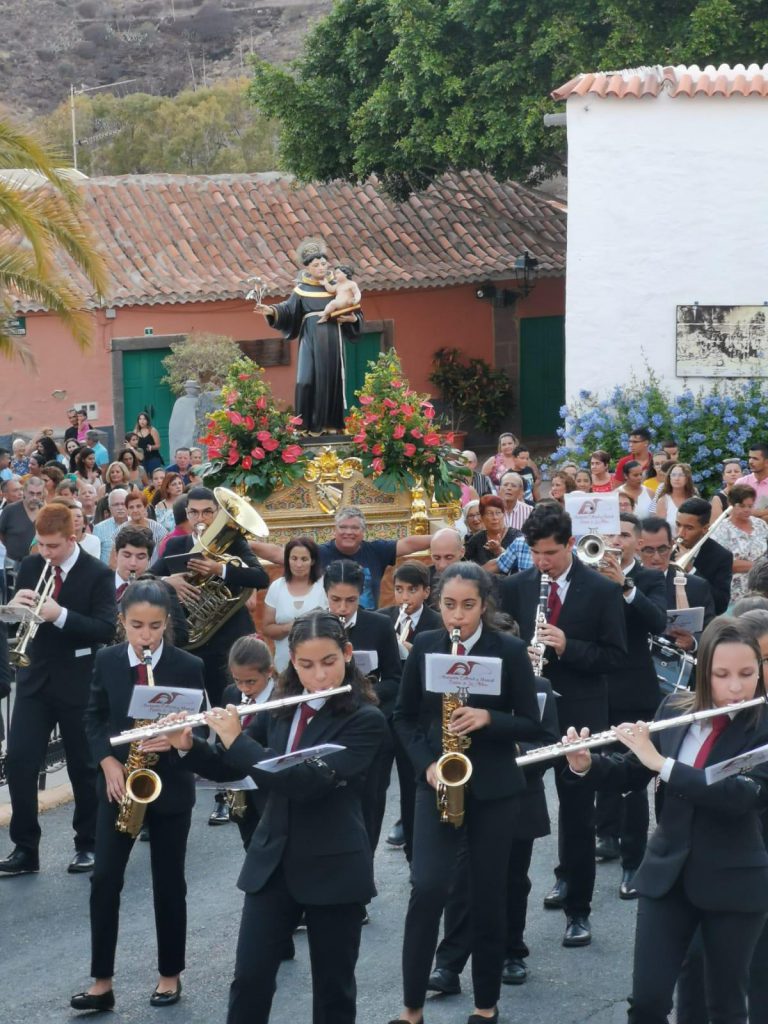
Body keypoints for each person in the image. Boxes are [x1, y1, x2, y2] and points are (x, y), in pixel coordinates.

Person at [163, 609, 387, 1024]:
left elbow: (303, 782)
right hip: (273, 862)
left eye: (328, 662)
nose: (318, 676)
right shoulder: (282, 710)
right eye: (305, 665)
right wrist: (189, 745)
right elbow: (235, 767)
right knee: (249, 980)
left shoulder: (365, 721)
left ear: (348, 654)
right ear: (292, 663)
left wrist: (234, 739)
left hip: (334, 866)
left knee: (333, 992)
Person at [564, 616, 768, 1024]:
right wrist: (587, 764)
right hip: (666, 876)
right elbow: (631, 771)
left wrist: (663, 763)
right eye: (721, 674)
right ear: (702, 672)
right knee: (648, 1002)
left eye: (747, 674)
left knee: (725, 1006)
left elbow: (737, 796)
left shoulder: (762, 725)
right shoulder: (673, 710)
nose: (734, 687)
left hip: (734, 881)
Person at [390, 562, 543, 1024]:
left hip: (494, 788)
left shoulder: (510, 650)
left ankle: (485, 1007)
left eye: (468, 605)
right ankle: (412, 1008)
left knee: (487, 893)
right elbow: (404, 716)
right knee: (428, 887)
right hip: (439, 781)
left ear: (484, 605)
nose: (458, 616)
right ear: (438, 603)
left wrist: (489, 719)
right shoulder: (426, 646)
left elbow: (536, 724)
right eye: (450, 605)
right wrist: (428, 764)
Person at [71, 580, 205, 1014]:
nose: (145, 636)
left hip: (169, 786)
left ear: (167, 623)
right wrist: (107, 763)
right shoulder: (108, 660)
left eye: (154, 626)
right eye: (136, 626)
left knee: (169, 883)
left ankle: (170, 975)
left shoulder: (188, 664)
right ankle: (101, 981)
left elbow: (203, 723)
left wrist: (178, 740)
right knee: (104, 880)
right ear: (121, 622)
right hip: (119, 784)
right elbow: (93, 718)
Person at [500, 503, 627, 947]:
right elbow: (502, 645)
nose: (542, 563)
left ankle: (579, 908)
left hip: (580, 712)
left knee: (577, 811)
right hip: (528, 714)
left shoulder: (600, 590)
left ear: (570, 544)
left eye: (550, 553)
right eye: (535, 553)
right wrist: (524, 655)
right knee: (521, 805)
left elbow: (615, 656)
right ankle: (548, 887)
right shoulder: (516, 586)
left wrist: (569, 646)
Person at [0, 504, 117, 876]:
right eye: (41, 545)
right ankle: (24, 848)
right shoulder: (32, 566)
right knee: (19, 762)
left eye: (53, 546)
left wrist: (60, 615)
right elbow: (22, 617)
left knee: (84, 766)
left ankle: (88, 844)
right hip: (35, 679)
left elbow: (104, 628)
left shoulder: (98, 573)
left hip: (79, 677)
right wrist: (11, 610)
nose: (45, 553)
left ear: (73, 538)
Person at [429, 669, 560, 994]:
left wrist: (513, 750)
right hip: (470, 795)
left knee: (513, 880)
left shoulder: (538, 687)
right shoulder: (460, 689)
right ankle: (449, 965)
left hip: (519, 796)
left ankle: (511, 952)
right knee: (461, 882)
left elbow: (549, 742)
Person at [151, 484, 270, 828]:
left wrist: (219, 570)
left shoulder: (233, 544)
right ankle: (183, 790)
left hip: (226, 645)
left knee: (227, 717)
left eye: (207, 513)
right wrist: (169, 582)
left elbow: (259, 576)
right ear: (186, 516)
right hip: (190, 644)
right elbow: (147, 577)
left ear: (216, 514)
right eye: (194, 513)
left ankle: (228, 794)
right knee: (189, 721)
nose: (200, 520)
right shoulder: (175, 545)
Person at [593, 514, 667, 896]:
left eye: (623, 535)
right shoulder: (587, 575)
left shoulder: (651, 578)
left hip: (635, 690)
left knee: (633, 780)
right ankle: (604, 835)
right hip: (595, 688)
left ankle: (633, 862)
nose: (615, 541)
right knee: (595, 767)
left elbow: (658, 623)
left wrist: (625, 588)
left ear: (637, 541)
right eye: (609, 534)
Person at [323, 559, 401, 853]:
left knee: (370, 802)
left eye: (351, 600)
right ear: (325, 594)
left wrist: (362, 694)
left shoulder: (379, 625)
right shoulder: (313, 624)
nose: (342, 608)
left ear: (362, 595)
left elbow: (395, 679)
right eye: (335, 600)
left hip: (369, 727)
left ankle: (364, 867)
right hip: (327, 728)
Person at [254, 238, 365, 434]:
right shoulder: (301, 290)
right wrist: (270, 311)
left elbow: (356, 311)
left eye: (324, 263)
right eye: (316, 265)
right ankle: (305, 426)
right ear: (308, 268)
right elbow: (287, 310)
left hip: (332, 339)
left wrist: (351, 319)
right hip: (310, 340)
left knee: (331, 380)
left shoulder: (338, 286)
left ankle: (331, 425)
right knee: (305, 380)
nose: (321, 267)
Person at [252, 505, 427, 610]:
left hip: (369, 624)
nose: (348, 532)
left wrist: (445, 538)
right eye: (343, 527)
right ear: (334, 530)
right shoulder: (318, 553)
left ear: (363, 532)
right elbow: (277, 554)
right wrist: (244, 545)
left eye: (354, 528)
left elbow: (408, 544)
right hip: (328, 625)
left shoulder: (376, 550)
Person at [379, 561, 441, 856]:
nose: (405, 598)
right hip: (388, 708)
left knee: (410, 780)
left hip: (419, 711)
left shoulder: (437, 623)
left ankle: (415, 850)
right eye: (399, 590)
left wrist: (412, 650)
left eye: (412, 590)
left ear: (426, 592)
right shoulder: (383, 619)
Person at [219, 637, 277, 850]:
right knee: (250, 844)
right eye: (238, 681)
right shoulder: (231, 694)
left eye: (251, 682)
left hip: (266, 786)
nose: (243, 688)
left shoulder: (280, 698)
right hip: (240, 787)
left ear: (269, 671)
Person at [638, 516, 715, 655]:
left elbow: (712, 631)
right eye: (648, 550)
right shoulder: (626, 585)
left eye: (662, 549)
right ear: (637, 548)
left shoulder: (696, 587)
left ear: (672, 544)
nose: (656, 557)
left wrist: (693, 642)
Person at [262, 536, 327, 672]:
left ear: (312, 561)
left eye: (304, 559)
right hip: (284, 666)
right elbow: (267, 628)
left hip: (319, 663)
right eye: (294, 559)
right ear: (287, 560)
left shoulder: (324, 585)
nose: (298, 565)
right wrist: (288, 628)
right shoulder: (277, 587)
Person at [710, 484, 768, 604]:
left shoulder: (760, 524)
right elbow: (724, 563)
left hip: (763, 590)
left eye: (750, 506)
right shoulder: (721, 529)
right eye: (741, 506)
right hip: (735, 593)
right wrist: (759, 567)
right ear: (731, 504)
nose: (747, 510)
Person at [675, 496, 734, 615]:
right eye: (678, 525)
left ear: (705, 529)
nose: (680, 533)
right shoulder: (666, 549)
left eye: (689, 528)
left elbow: (721, 604)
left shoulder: (721, 556)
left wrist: (691, 571)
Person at [0, 476, 44, 577]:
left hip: (39, 563)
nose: (34, 498)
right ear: (24, 491)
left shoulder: (46, 512)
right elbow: (1, 534)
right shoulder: (10, 510)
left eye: (38, 494)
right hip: (14, 562)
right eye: (31, 493)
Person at [464, 494, 522, 567]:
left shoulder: (517, 537)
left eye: (498, 513)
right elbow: (462, 561)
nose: (495, 517)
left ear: (503, 514)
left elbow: (522, 564)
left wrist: (500, 551)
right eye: (489, 513)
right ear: (482, 517)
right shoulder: (476, 539)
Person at [654, 462, 696, 531]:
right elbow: (659, 529)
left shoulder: (694, 500)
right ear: (669, 478)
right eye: (673, 475)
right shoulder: (663, 501)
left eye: (681, 475)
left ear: (687, 478)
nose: (676, 478)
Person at [92, 489, 130, 564]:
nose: (120, 507)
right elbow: (95, 558)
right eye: (116, 504)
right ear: (110, 508)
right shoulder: (99, 528)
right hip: (107, 573)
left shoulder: (137, 525)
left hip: (132, 572)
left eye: (123, 504)